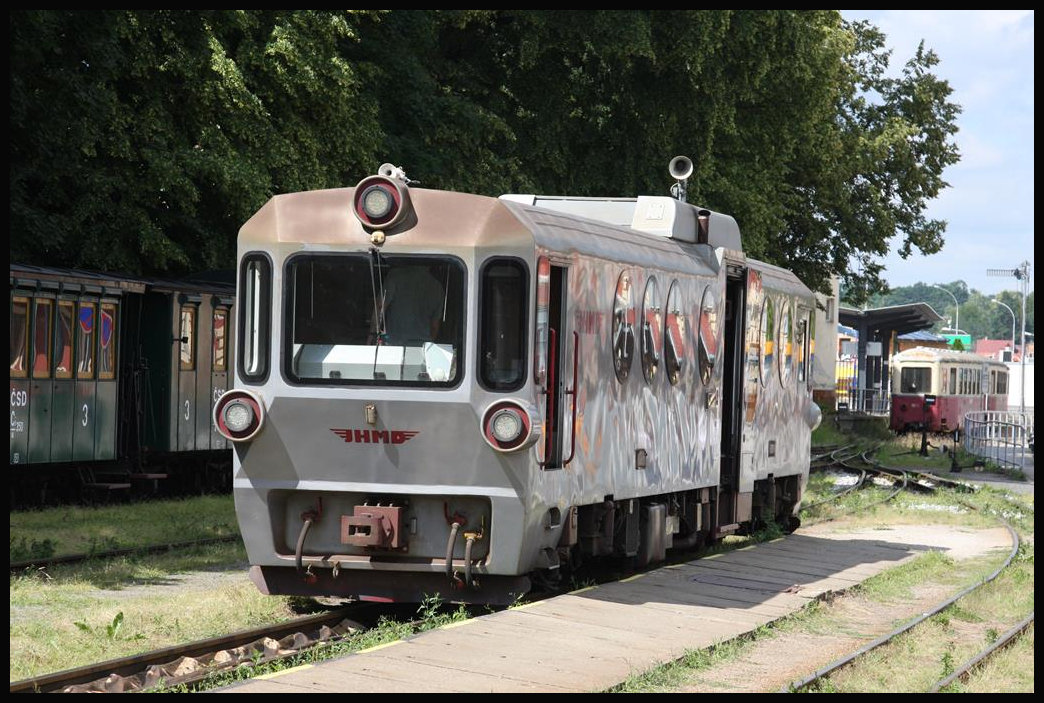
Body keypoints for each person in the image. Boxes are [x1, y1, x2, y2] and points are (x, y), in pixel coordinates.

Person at [378, 263, 445, 346]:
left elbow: (380, 309)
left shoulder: (395, 276)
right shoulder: (437, 287)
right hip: (422, 347)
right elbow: (434, 326)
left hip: (394, 346)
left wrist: (371, 338)